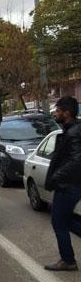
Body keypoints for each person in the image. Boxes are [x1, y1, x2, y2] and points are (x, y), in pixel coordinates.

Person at [44, 96, 81, 271]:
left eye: (58, 111)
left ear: (67, 113)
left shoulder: (73, 132)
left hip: (68, 185)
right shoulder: (71, 130)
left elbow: (76, 160)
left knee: (59, 222)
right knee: (66, 220)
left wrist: (56, 177)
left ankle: (68, 261)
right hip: (70, 184)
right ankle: (68, 259)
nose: (55, 114)